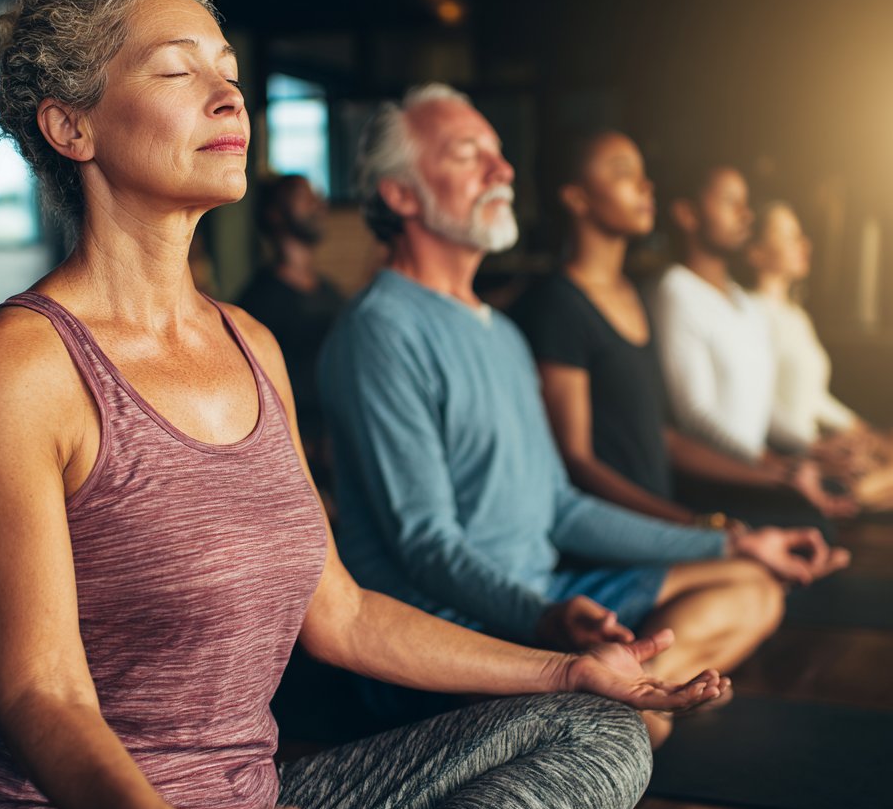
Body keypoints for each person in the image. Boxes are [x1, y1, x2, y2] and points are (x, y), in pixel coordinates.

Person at [0, 0, 730, 809]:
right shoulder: (21, 365)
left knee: (599, 729)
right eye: (179, 72)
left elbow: (342, 615)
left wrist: (564, 668)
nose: (229, 98)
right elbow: (42, 692)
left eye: (230, 73)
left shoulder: (254, 346)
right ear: (71, 125)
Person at [319, 85, 848, 749]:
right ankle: (609, 717)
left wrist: (732, 541)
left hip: (544, 598)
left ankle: (613, 714)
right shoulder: (381, 330)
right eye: (468, 155)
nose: (502, 170)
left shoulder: (502, 334)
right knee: (728, 605)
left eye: (500, 154)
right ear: (400, 195)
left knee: (755, 585)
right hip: (455, 636)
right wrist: (542, 620)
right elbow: (427, 545)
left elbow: (561, 507)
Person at [522, 130, 856, 529]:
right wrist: (696, 526)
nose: (645, 185)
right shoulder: (563, 304)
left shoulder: (632, 297)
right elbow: (575, 461)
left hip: (667, 512)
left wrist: (784, 471)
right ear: (577, 198)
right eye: (623, 172)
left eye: (644, 173)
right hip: (624, 527)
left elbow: (666, 438)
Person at [648, 161, 855, 527]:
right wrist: (771, 464)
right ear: (687, 213)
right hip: (719, 484)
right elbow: (694, 415)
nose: (745, 213)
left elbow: (763, 402)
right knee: (824, 518)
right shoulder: (674, 290)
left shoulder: (742, 301)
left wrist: (812, 448)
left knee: (845, 492)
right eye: (730, 201)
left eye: (745, 202)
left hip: (759, 470)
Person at [746, 200, 893, 509]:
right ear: (755, 252)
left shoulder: (797, 317)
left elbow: (813, 397)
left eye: (800, 234)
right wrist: (820, 448)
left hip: (819, 444)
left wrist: (862, 430)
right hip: (797, 454)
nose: (803, 244)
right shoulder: (751, 312)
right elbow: (763, 400)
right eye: (787, 235)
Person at [238, 175, 344, 495]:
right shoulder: (255, 304)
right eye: (302, 196)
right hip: (296, 464)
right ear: (275, 214)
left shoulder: (333, 294)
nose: (317, 203)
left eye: (317, 194)